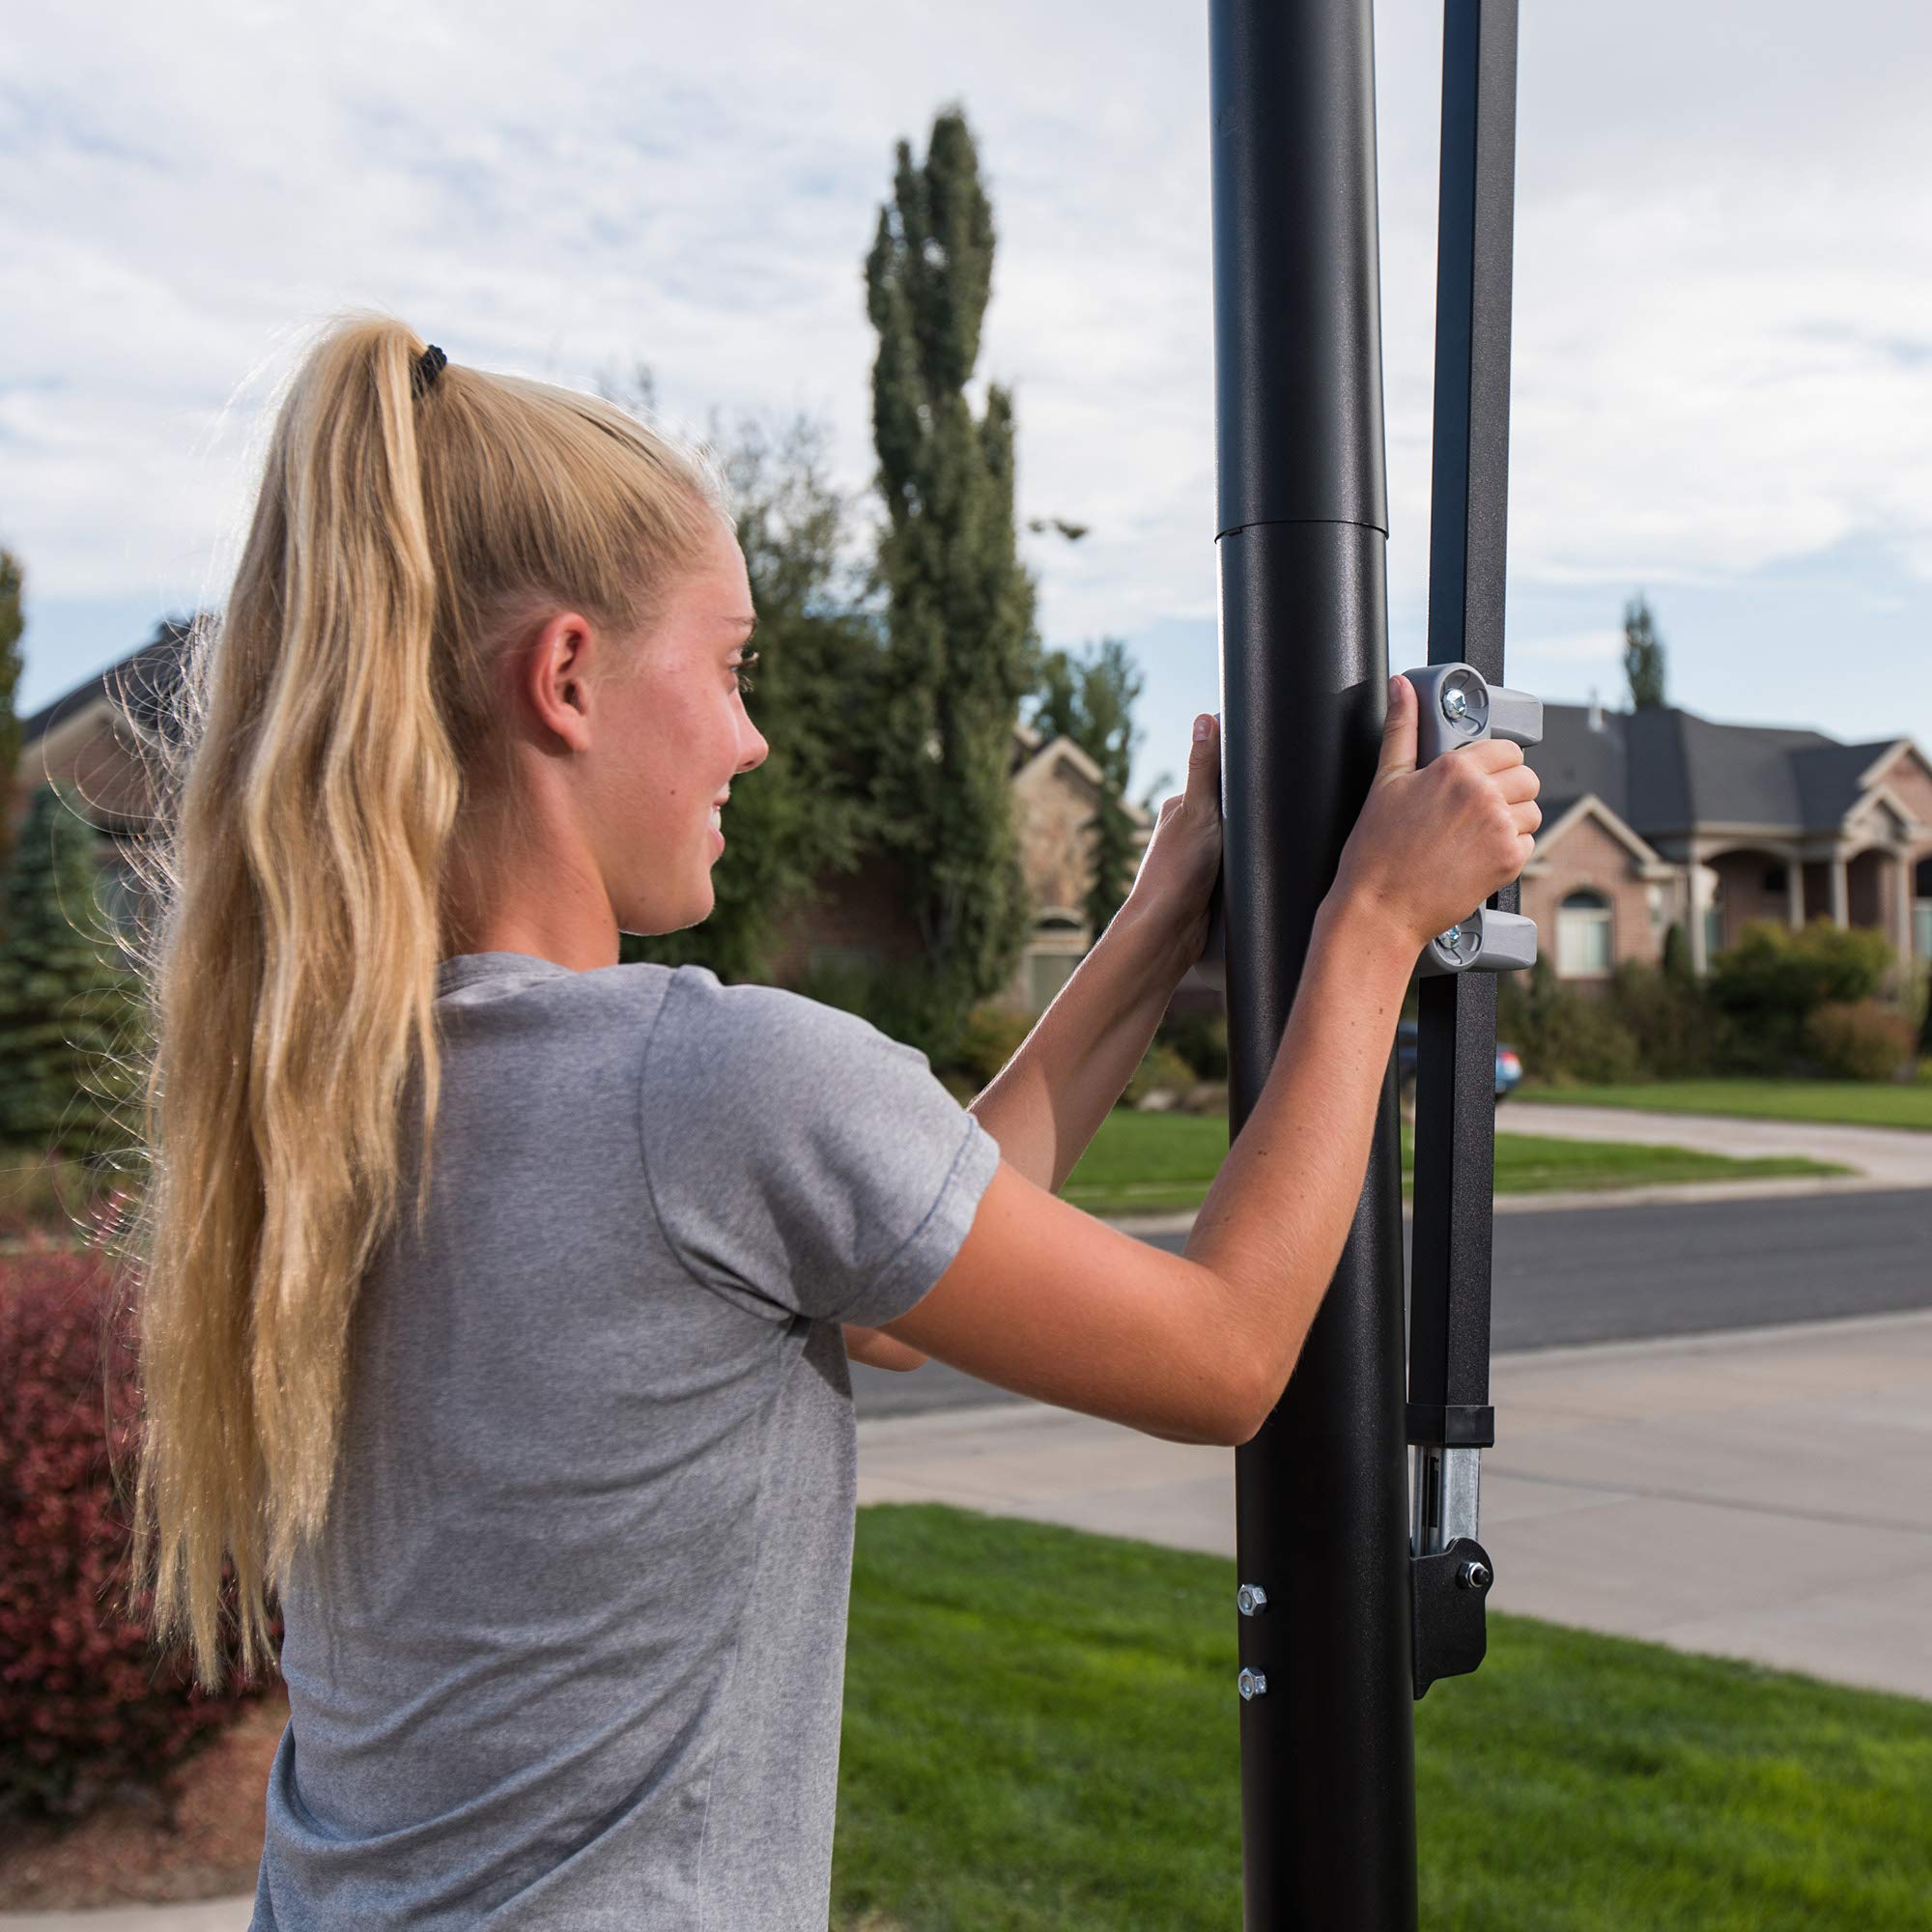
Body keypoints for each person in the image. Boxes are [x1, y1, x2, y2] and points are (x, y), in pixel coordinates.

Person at [121, 314, 1538, 1929]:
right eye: (728, 670)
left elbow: (891, 1288)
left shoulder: (334, 1100)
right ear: (569, 678)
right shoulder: (710, 1082)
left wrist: (1152, 932)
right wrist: (1369, 924)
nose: (752, 736)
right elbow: (1220, 1356)